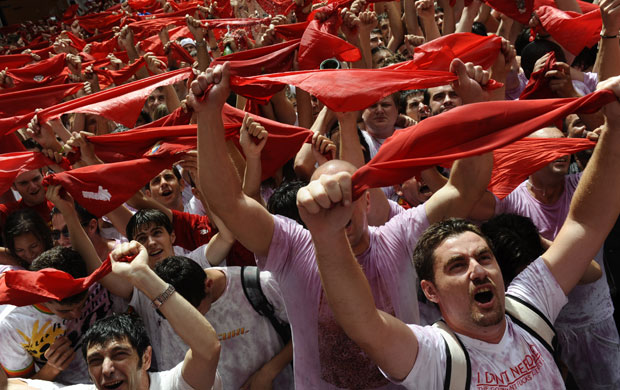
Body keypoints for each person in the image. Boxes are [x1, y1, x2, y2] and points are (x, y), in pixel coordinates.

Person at [297, 75, 620, 389]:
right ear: (430, 291)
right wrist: (328, 234)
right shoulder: (433, 357)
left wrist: (616, 128)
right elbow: (364, 324)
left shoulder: (529, 306)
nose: (477, 270)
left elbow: (585, 224)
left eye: (483, 257)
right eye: (457, 265)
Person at [191, 60, 493, 389]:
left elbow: (463, 189)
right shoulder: (292, 245)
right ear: (308, 202)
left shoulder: (399, 236)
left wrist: (475, 103)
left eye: (347, 193)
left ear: (367, 201)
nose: (336, 203)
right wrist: (208, 115)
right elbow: (229, 203)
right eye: (326, 194)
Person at [6, 242, 223, 390]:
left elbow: (208, 348)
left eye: (119, 354)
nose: (107, 369)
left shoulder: (173, 385)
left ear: (146, 358)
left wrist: (143, 274)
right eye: (95, 360)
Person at [154, 256, 294, 389]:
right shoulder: (170, 314)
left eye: (192, 312)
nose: (185, 321)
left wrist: (268, 373)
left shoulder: (259, 285)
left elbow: (308, 331)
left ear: (208, 285)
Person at [0, 247, 121, 384]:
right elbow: (18, 386)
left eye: (84, 303)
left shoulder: (96, 277)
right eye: (64, 311)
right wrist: (51, 369)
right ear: (40, 298)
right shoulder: (11, 327)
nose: (77, 314)